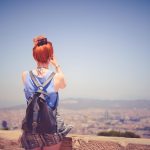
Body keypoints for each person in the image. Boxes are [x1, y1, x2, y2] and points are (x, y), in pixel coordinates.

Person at [20, 36, 72, 150]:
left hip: (31, 127)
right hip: (51, 128)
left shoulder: (25, 75)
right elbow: (64, 85)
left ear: (34, 56)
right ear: (50, 56)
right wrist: (57, 65)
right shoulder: (57, 77)